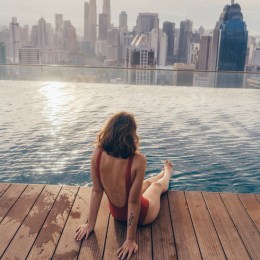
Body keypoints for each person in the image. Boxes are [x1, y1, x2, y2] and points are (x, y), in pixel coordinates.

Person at [75, 112, 173, 259]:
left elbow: (97, 191)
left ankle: (160, 174)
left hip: (116, 213)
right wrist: (130, 240)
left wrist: (90, 224)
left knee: (146, 183)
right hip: (142, 216)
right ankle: (167, 173)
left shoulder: (97, 154)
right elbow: (134, 202)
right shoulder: (138, 160)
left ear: (109, 130)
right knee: (156, 187)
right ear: (131, 134)